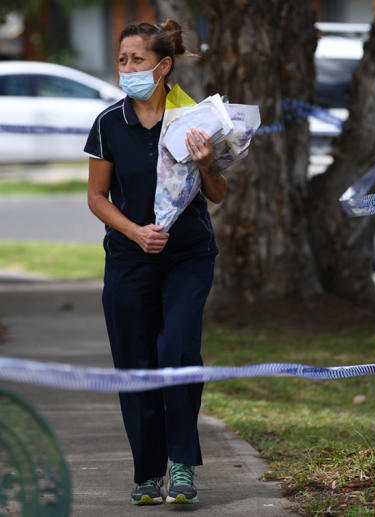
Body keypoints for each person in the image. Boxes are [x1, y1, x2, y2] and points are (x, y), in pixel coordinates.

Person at [84, 20, 227, 505]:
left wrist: (207, 163)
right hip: (128, 258)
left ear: (163, 66)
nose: (127, 69)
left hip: (187, 256)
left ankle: (182, 467)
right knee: (137, 365)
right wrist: (134, 231)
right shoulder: (108, 123)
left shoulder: (195, 117)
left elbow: (219, 195)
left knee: (177, 353)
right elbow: (96, 197)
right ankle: (147, 474)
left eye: (137, 60)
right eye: (122, 60)